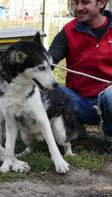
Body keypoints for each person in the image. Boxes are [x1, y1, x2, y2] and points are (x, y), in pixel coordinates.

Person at [48, 0, 112, 153]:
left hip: (107, 100)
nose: (78, 8)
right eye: (76, 3)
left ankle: (110, 134)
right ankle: (74, 129)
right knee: (46, 89)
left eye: (85, 2)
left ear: (101, 3)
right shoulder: (69, 31)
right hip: (77, 102)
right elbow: (50, 59)